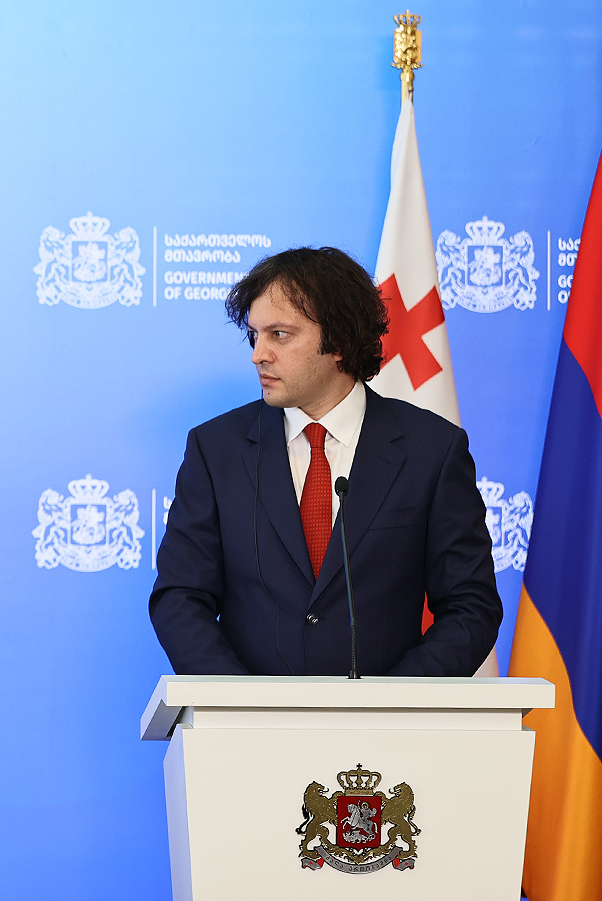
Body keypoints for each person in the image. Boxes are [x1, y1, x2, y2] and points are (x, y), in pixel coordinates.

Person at [149, 247, 500, 676]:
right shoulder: (216, 449)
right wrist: (239, 701)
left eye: (279, 334)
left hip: (389, 717)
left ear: (339, 341)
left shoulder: (431, 449)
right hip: (247, 716)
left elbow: (471, 606)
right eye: (255, 334)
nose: (258, 354)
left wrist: (394, 702)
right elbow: (180, 597)